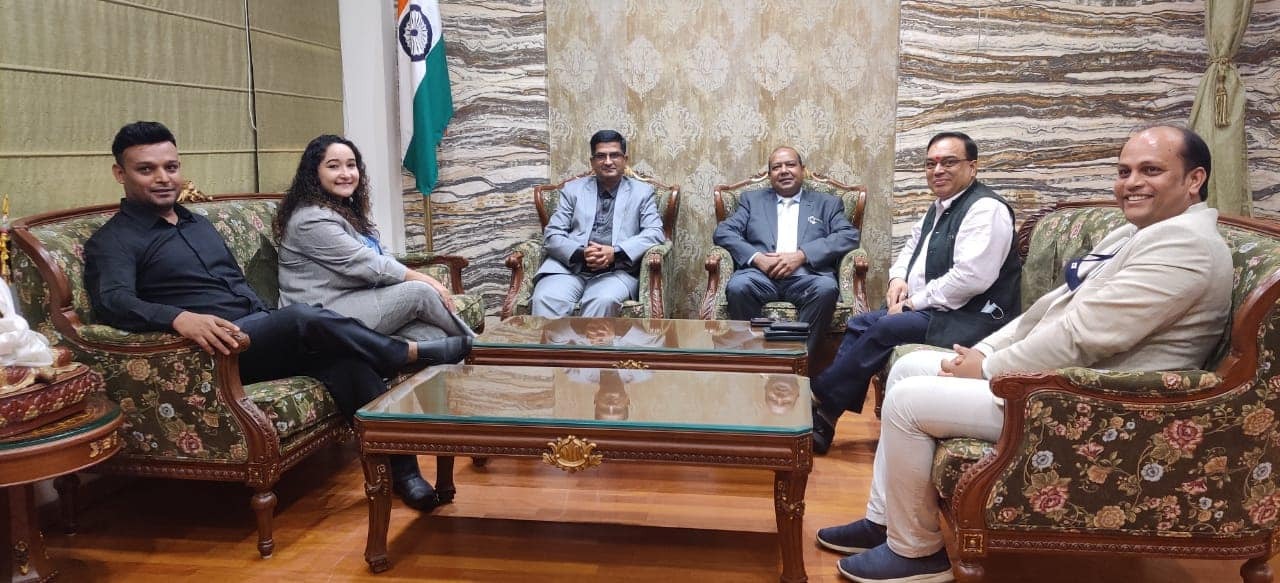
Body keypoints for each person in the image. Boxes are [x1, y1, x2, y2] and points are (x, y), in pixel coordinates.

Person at [817, 125, 1232, 583]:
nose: (1131, 183)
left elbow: (1082, 335)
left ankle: (915, 553)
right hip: (1059, 377)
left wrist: (990, 368)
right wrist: (982, 353)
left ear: (1194, 179)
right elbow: (1049, 309)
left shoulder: (1185, 246)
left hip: (1091, 400)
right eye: (1123, 171)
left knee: (906, 401)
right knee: (910, 366)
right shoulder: (1136, 233)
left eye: (1150, 170)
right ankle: (885, 522)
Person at [83, 121, 468, 513]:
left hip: (257, 332)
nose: (163, 178)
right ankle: (400, 353)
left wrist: (263, 315)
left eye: (171, 167)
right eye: (146, 169)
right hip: (214, 352)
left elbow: (236, 282)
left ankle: (405, 475)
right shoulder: (114, 240)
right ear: (120, 174)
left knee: (347, 362)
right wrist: (179, 317)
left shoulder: (197, 224)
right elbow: (114, 301)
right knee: (302, 317)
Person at [809, 132, 1021, 454]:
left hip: (972, 317)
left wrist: (912, 304)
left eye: (949, 162)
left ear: (972, 167)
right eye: (931, 164)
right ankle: (826, 418)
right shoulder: (939, 208)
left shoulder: (986, 210)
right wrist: (897, 279)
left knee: (885, 326)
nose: (938, 170)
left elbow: (971, 278)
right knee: (860, 323)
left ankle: (819, 397)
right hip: (938, 308)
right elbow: (910, 250)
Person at [275, 134, 474, 343]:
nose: (346, 174)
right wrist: (427, 280)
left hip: (353, 299)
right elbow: (367, 263)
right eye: (333, 166)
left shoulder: (341, 210)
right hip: (320, 313)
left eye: (351, 165)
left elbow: (380, 253)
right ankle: (480, 347)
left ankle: (378, 352)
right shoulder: (311, 219)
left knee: (434, 337)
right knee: (420, 292)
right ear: (313, 173)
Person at [712, 146, 859, 351]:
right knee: (738, 287)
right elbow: (723, 232)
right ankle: (757, 357)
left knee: (826, 289)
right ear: (769, 175)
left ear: (802, 170)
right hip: (760, 277)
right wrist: (757, 258)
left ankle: (800, 358)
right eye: (776, 167)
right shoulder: (752, 201)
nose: (784, 171)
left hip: (807, 277)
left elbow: (849, 236)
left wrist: (802, 255)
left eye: (790, 165)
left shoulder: (827, 203)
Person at [530, 130, 665, 317]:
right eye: (601, 156)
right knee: (545, 298)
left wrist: (615, 252)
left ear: (625, 159)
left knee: (602, 300)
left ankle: (588, 339)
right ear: (592, 162)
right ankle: (558, 340)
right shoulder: (572, 190)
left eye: (614, 155)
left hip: (616, 272)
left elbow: (655, 233)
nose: (608, 161)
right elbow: (552, 235)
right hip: (569, 269)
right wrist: (581, 254)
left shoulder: (642, 192)